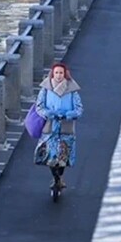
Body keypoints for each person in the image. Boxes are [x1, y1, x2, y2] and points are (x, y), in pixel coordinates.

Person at [33, 62, 82, 197]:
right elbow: (39, 106)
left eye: (61, 73)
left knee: (62, 157)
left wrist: (69, 114)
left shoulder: (72, 90)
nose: (59, 75)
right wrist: (48, 113)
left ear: (65, 74)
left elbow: (79, 109)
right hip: (50, 126)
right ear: (52, 74)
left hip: (66, 127)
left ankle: (59, 177)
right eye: (56, 73)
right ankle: (55, 178)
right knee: (50, 155)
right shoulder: (45, 89)